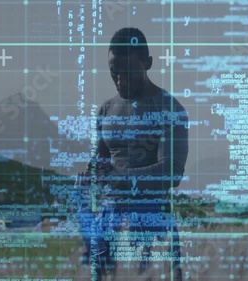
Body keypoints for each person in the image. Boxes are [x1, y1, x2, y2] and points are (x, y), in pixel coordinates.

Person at [74, 27, 188, 281]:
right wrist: (89, 176)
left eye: (127, 73)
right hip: (109, 220)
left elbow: (172, 171)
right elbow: (101, 163)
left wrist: (123, 177)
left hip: (151, 220)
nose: (120, 80)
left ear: (147, 63)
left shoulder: (170, 109)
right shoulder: (106, 109)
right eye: (114, 72)